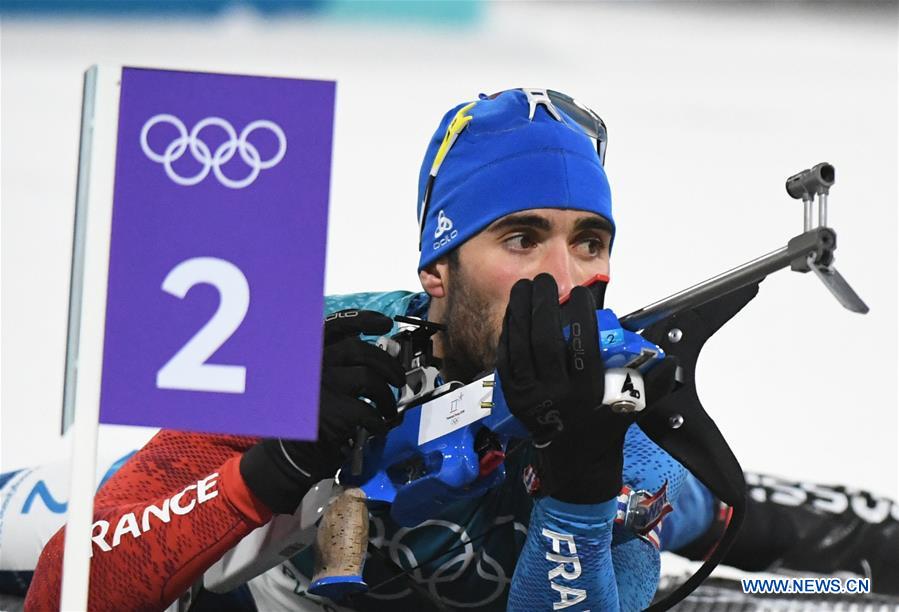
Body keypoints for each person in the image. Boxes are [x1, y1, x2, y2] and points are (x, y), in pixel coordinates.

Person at [22, 89, 897, 611]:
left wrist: (582, 493)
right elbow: (67, 590)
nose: (567, 275)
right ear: (437, 269)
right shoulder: (300, 345)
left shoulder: (622, 419)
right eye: (521, 237)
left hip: (677, 524)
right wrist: (271, 472)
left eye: (589, 242)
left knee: (828, 585)